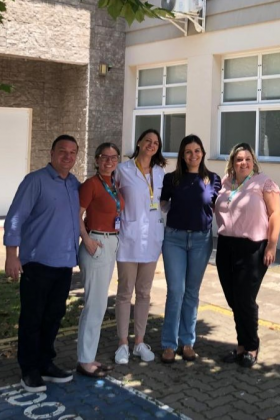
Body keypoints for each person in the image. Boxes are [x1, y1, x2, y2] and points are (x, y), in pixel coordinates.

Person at [4, 134, 81, 392]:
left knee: (54, 316)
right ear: (51, 153)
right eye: (62, 151)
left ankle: (46, 363)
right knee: (32, 318)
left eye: (72, 152)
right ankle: (29, 369)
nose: (67, 156)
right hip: (37, 263)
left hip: (64, 264)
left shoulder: (73, 184)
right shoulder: (35, 181)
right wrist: (11, 254)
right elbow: (15, 218)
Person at [214, 143, 280, 368]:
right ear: (232, 163)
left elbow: (275, 214)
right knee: (233, 299)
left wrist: (271, 245)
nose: (243, 163)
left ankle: (252, 346)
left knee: (245, 298)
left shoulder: (264, 183)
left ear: (253, 162)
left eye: (247, 159)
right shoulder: (225, 183)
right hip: (226, 245)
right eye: (239, 159)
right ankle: (241, 346)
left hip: (252, 247)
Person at [160, 135, 221, 364]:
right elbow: (162, 205)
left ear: (202, 153)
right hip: (174, 239)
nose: (193, 155)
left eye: (197, 151)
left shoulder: (213, 179)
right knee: (176, 290)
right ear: (182, 155)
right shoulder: (171, 178)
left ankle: (187, 342)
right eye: (188, 151)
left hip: (200, 241)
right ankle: (169, 344)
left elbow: (218, 207)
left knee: (192, 293)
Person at [114, 129, 166, 364]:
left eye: (156, 142)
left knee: (144, 293)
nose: (151, 145)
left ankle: (139, 342)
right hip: (128, 238)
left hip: (152, 240)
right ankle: (122, 344)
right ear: (138, 143)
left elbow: (163, 204)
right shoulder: (123, 170)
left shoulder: (160, 173)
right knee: (125, 292)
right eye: (148, 141)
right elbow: (112, 196)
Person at [76, 143, 124, 378]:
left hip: (111, 242)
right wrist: (86, 239)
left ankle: (89, 356)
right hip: (96, 244)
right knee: (95, 305)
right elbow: (76, 215)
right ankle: (85, 361)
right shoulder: (91, 184)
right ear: (96, 159)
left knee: (99, 303)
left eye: (113, 157)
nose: (109, 161)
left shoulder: (114, 184)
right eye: (104, 157)